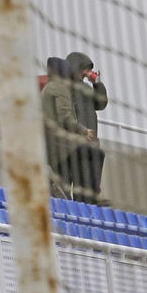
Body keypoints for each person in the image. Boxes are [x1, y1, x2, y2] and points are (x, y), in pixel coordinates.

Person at [41, 57, 95, 202]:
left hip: (52, 147)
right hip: (62, 146)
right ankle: (84, 204)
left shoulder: (48, 88)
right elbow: (65, 118)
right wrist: (83, 131)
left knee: (62, 184)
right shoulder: (59, 88)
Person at [65, 50, 107, 198]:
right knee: (79, 179)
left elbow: (101, 104)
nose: (85, 73)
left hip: (91, 139)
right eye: (83, 69)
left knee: (93, 175)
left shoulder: (86, 88)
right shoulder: (65, 88)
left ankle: (92, 200)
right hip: (77, 140)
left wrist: (97, 84)